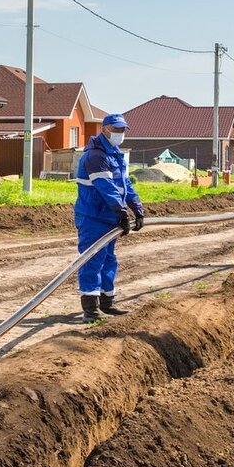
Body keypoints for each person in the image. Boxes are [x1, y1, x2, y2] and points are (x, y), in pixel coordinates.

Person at [74, 113, 144, 320]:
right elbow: (107, 188)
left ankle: (107, 302)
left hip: (109, 218)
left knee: (109, 260)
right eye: (116, 129)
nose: (120, 133)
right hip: (93, 217)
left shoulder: (115, 154)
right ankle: (90, 309)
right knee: (92, 260)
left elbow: (126, 185)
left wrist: (137, 208)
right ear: (104, 129)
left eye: (123, 130)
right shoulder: (96, 156)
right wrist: (122, 212)